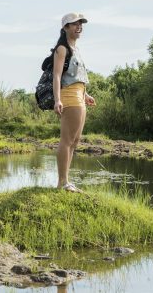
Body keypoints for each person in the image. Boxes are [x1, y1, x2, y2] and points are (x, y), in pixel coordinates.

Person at [53, 12, 96, 192]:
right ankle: (62, 182)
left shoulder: (76, 49)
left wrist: (86, 94)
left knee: (75, 141)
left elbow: (76, 76)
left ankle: (65, 181)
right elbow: (56, 75)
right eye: (74, 24)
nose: (79, 27)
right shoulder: (62, 48)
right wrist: (57, 100)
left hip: (79, 96)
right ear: (65, 28)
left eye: (80, 24)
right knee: (67, 140)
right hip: (69, 97)